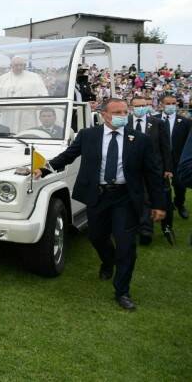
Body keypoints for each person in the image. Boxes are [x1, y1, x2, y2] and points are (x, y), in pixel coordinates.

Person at [33, 98, 165, 310]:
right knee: (96, 237)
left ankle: (122, 291)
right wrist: (44, 168)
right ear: (104, 114)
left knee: (126, 245)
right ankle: (107, 260)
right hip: (98, 196)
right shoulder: (88, 136)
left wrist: (159, 204)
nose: (123, 115)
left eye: (125, 111)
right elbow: (68, 156)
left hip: (125, 197)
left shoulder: (139, 139)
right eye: (117, 112)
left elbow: (152, 173)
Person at [128, 96, 173, 245]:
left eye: (143, 105)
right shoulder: (125, 123)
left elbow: (165, 147)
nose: (140, 108)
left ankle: (146, 231)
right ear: (131, 107)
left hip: (152, 169)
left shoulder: (157, 123)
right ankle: (132, 228)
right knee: (130, 199)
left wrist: (167, 168)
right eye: (137, 106)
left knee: (147, 198)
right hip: (130, 169)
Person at [159, 94, 190, 221]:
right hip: (160, 160)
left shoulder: (185, 122)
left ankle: (180, 204)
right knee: (161, 186)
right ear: (161, 104)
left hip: (178, 159)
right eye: (168, 103)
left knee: (180, 185)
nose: (171, 106)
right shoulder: (153, 120)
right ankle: (164, 206)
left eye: (173, 103)